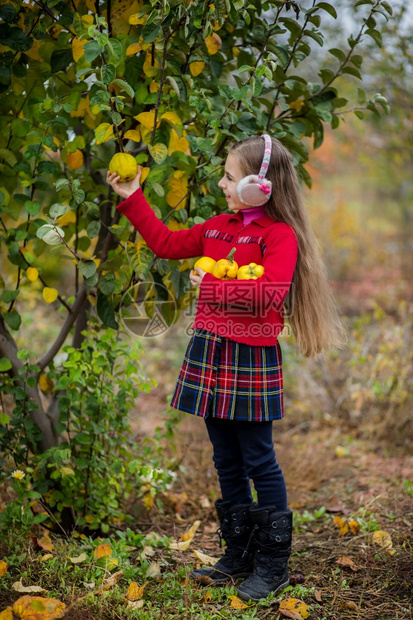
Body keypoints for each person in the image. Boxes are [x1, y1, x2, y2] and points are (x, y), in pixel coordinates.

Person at [106, 135, 347, 602]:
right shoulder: (219, 227)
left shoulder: (279, 236)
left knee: (259, 459)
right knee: (225, 458)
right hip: (211, 353)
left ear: (261, 186)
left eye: (230, 177)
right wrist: (132, 195)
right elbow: (165, 242)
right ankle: (238, 555)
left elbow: (271, 296)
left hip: (250, 358)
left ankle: (273, 565)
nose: (221, 183)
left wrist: (211, 285)